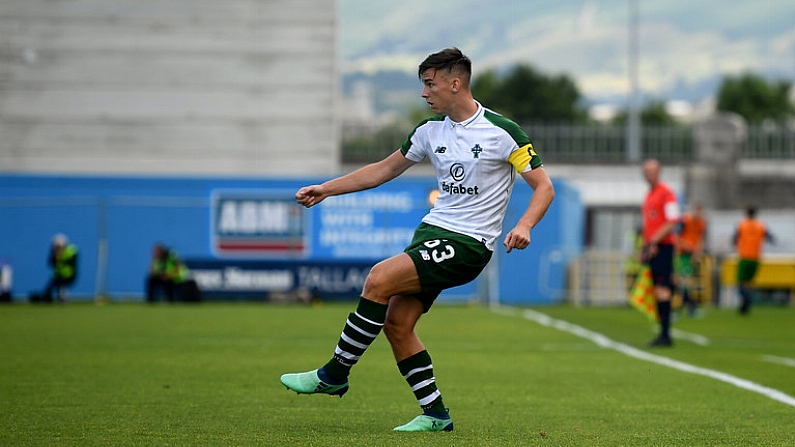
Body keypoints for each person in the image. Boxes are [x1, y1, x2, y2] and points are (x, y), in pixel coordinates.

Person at [280, 47, 555, 432]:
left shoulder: (502, 132)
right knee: (397, 324)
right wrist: (327, 189)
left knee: (378, 278)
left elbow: (543, 187)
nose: (424, 93)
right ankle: (436, 415)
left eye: (430, 84)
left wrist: (524, 225)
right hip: (432, 234)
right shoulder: (429, 131)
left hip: (468, 244)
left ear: (455, 83)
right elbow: (382, 170)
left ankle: (334, 372)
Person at [640, 159, 680, 347]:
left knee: (662, 289)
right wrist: (646, 246)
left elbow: (673, 220)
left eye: (652, 170)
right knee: (657, 289)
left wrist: (654, 241)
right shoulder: (649, 195)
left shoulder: (666, 193)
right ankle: (663, 333)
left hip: (663, 246)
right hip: (654, 246)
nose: (649, 174)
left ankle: (665, 335)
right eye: (646, 171)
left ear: (659, 171)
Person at [732, 206, 775, 315]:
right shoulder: (761, 226)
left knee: (740, 282)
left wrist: (738, 245)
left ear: (746, 213)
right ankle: (745, 305)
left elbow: (734, 239)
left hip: (744, 257)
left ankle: (746, 299)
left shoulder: (741, 224)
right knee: (749, 282)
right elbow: (770, 238)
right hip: (755, 258)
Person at [675, 203, 707, 317]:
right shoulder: (685, 221)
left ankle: (684, 308)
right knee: (684, 281)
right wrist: (688, 246)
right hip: (683, 254)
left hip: (692, 255)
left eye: (701, 212)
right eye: (697, 211)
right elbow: (677, 238)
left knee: (687, 282)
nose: (699, 214)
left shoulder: (701, 223)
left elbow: (700, 239)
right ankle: (687, 308)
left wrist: (697, 254)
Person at [42, 234, 78, 303]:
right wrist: (55, 257)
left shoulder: (71, 251)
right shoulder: (54, 252)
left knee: (62, 285)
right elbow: (51, 263)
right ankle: (46, 298)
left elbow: (72, 262)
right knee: (50, 287)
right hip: (58, 275)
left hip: (69, 275)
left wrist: (61, 258)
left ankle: (62, 298)